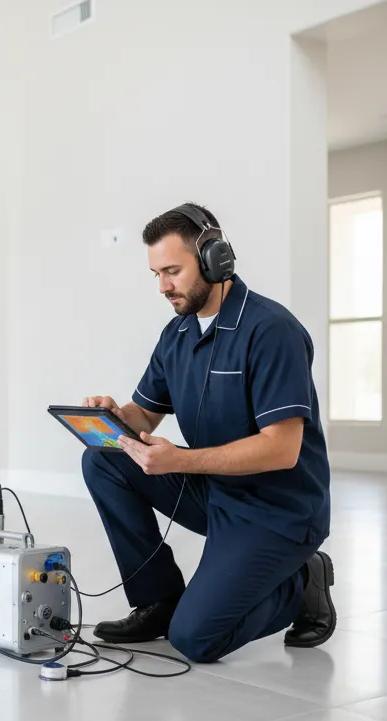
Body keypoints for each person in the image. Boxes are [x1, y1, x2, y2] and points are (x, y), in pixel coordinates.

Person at [81, 203, 335, 663]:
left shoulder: (272, 330)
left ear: (215, 258)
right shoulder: (176, 335)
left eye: (172, 271)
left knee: (196, 639)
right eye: (156, 274)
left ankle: (303, 583)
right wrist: (116, 416)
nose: (163, 287)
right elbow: (145, 416)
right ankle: (157, 601)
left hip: (277, 511)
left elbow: (282, 449)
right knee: (104, 458)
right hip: (214, 490)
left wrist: (179, 460)